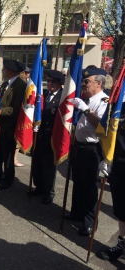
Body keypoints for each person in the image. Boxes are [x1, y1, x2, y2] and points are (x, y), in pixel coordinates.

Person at [66, 67, 108, 236]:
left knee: (89, 186)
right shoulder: (86, 99)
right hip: (79, 146)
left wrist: (85, 109)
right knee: (78, 181)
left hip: (92, 149)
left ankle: (90, 222)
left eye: (86, 81)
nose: (83, 84)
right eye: (83, 81)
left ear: (98, 83)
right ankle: (77, 212)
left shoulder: (103, 101)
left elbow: (101, 125)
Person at [31, 70, 65, 204]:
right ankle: (38, 186)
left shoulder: (62, 98)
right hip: (39, 134)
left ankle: (48, 192)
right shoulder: (43, 94)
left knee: (48, 166)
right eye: (49, 81)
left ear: (60, 84)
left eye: (54, 82)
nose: (50, 84)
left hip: (51, 136)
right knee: (37, 163)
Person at [98, 98, 125, 261]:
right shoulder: (119, 105)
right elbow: (109, 132)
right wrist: (107, 157)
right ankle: (122, 243)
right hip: (119, 164)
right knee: (121, 208)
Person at [0, 60, 27, 189]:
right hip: (0, 125)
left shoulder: (20, 85)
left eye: (5, 69)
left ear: (10, 70)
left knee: (8, 155)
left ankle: (8, 179)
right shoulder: (5, 84)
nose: (3, 71)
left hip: (10, 126)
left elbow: (16, 109)